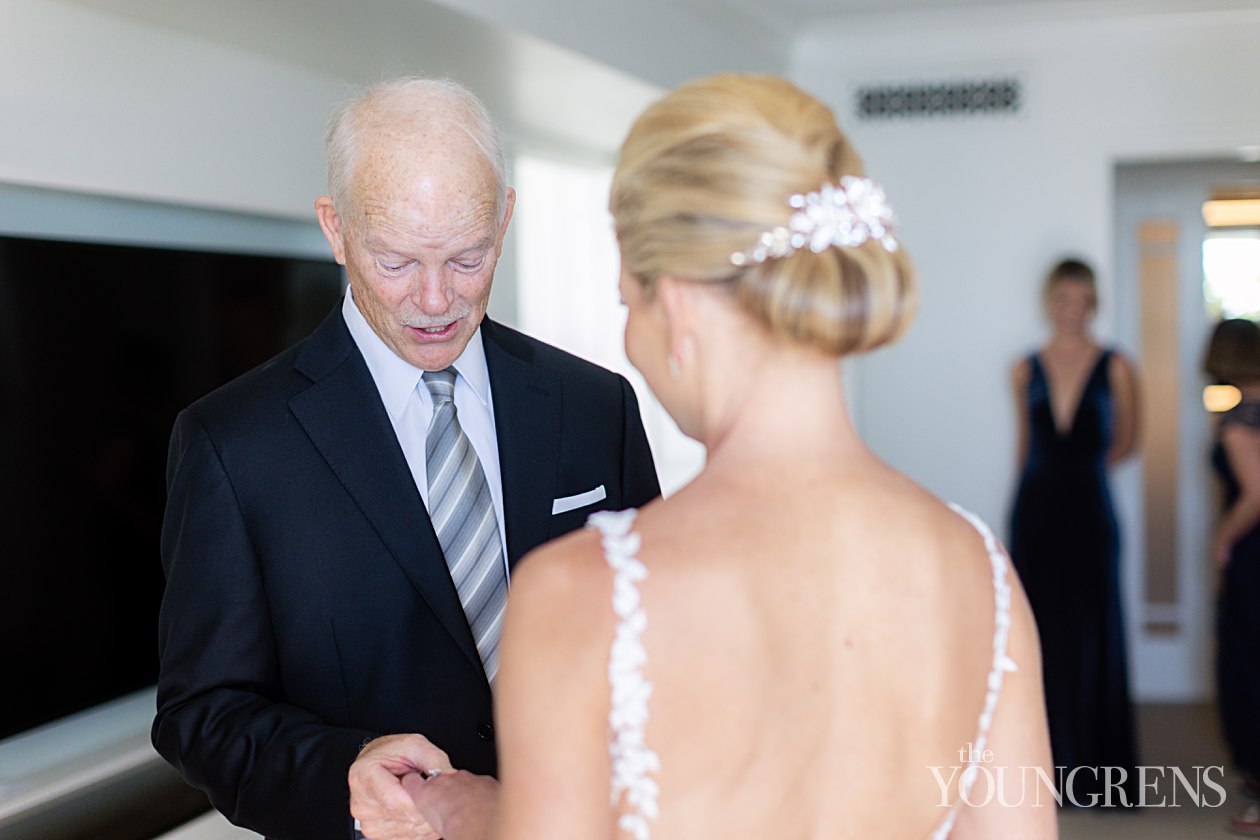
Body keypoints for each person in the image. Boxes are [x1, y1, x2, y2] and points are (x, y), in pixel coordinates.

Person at [350, 73, 1055, 840]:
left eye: (627, 303)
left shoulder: (583, 596)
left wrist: (491, 817)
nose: (630, 340)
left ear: (677, 306)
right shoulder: (983, 577)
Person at [151, 76, 661, 840]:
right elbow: (201, 715)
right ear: (335, 229)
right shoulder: (233, 444)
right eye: (395, 261)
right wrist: (342, 774)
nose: (434, 300)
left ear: (506, 218)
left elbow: (658, 637)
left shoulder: (597, 406)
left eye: (467, 257)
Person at [1007, 258, 1140, 804]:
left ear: (1093, 303)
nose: (1071, 309)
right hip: (1036, 509)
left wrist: (1081, 473)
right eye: (1062, 298)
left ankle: (1099, 778)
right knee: (1039, 635)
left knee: (1094, 632)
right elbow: (1024, 445)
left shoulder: (1117, 365)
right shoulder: (1023, 368)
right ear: (1049, 301)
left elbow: (1129, 440)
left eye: (1081, 298)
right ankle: (1046, 771)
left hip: (1089, 508)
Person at [1203, 318, 1260, 836]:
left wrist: (1222, 537)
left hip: (1253, 559)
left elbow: (1256, 494)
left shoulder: (1241, 418)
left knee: (1247, 669)